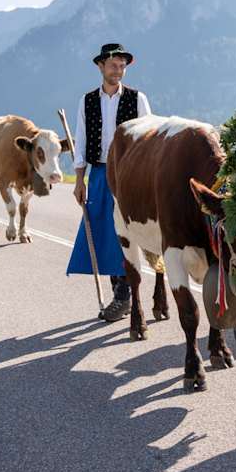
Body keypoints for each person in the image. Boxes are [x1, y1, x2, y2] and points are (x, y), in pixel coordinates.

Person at [67, 43, 152, 321]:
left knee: (125, 232)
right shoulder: (87, 101)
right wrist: (79, 180)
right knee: (104, 231)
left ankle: (124, 296)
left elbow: (148, 138)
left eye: (122, 66)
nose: (118, 70)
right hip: (100, 173)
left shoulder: (137, 99)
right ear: (100, 66)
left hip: (129, 174)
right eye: (113, 65)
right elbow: (81, 141)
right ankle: (120, 291)